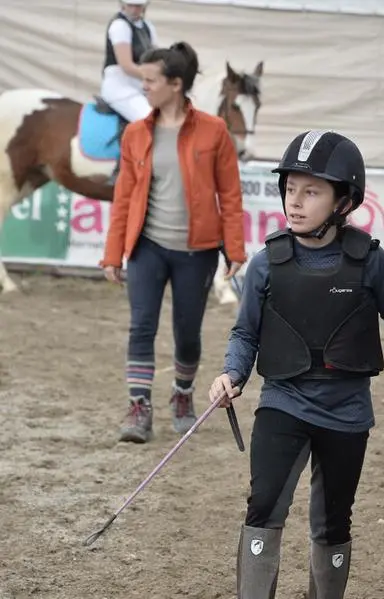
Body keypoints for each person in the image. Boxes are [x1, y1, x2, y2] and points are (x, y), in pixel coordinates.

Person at [207, 130, 384, 599]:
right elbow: (245, 333)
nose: (296, 201)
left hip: (346, 415)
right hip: (282, 404)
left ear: (343, 200)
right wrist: (232, 373)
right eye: (290, 189)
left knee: (332, 522)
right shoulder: (266, 264)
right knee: (264, 506)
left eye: (311, 191)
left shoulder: (371, 262)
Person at [100, 41, 246, 444]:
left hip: (196, 252)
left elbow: (230, 195)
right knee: (141, 326)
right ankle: (139, 407)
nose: (143, 86)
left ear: (176, 84)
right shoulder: (135, 133)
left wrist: (234, 249)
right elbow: (124, 198)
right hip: (147, 247)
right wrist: (113, 253)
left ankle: (182, 395)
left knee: (187, 331)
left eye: (150, 80)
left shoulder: (214, 131)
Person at [100, 1, 159, 183]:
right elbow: (126, 65)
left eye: (139, 6)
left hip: (140, 85)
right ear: (123, 4)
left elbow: (157, 57)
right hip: (119, 85)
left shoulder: (147, 26)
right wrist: (155, 76)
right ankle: (124, 171)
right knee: (149, 118)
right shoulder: (119, 26)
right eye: (131, 5)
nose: (135, 9)